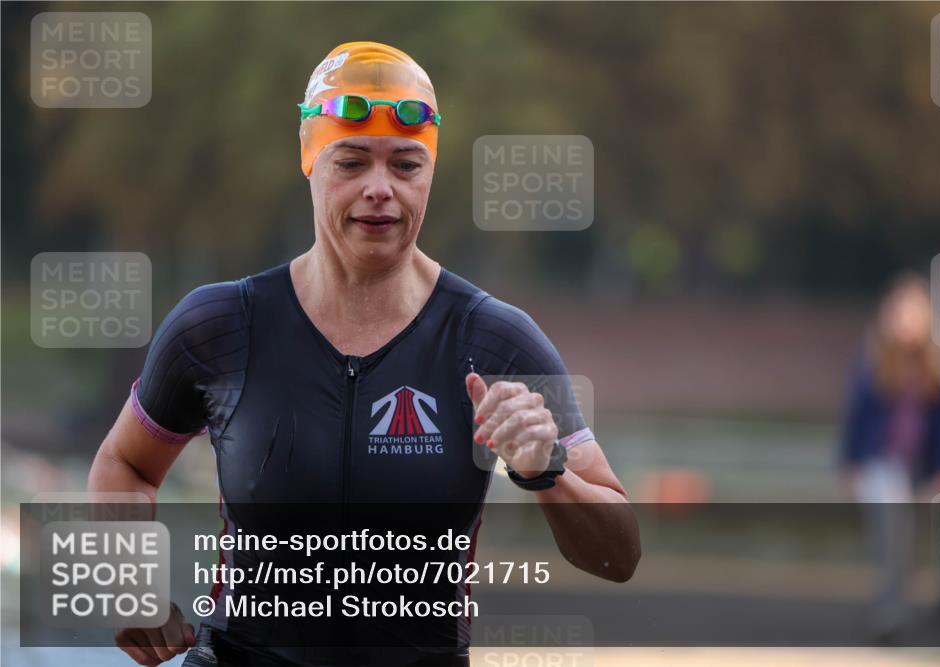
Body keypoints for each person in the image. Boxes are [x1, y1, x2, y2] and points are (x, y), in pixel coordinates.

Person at [87, 41, 640, 666]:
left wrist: (548, 470)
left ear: (430, 172)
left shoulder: (492, 341)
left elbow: (617, 556)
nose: (380, 189)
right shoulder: (221, 325)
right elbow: (124, 463)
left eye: (406, 165)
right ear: (310, 162)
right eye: (351, 162)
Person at [838, 272, 940, 642]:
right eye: (899, 313)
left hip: (923, 468)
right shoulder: (872, 362)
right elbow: (856, 419)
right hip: (882, 464)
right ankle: (890, 609)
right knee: (893, 522)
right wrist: (850, 464)